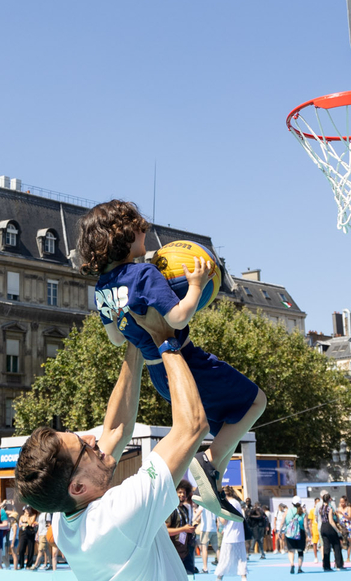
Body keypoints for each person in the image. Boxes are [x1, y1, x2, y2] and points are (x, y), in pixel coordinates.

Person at [82, 200, 266, 522]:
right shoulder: (144, 274)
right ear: (124, 235)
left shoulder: (102, 287)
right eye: (140, 227)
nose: (146, 231)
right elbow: (178, 318)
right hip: (186, 362)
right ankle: (209, 461)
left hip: (159, 376)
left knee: (226, 420)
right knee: (256, 402)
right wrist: (195, 286)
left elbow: (116, 338)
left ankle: (212, 480)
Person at [14, 313, 211, 581]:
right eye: (83, 447)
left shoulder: (64, 515)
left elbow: (116, 429)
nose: (91, 438)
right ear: (78, 487)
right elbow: (193, 426)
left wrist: (136, 337)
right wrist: (163, 337)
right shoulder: (117, 516)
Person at [215, 487, 249, 581]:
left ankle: (219, 578)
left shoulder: (227, 504)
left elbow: (224, 521)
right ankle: (244, 578)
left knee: (224, 559)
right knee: (241, 559)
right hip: (239, 535)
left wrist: (219, 512)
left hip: (229, 535)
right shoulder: (237, 503)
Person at [167, 480, 197, 576]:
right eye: (179, 492)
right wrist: (183, 529)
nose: (182, 495)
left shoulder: (185, 509)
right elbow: (165, 531)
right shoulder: (171, 509)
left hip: (185, 552)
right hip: (173, 553)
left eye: (184, 492)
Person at [284, 502, 307, 574]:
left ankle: (292, 563)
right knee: (300, 551)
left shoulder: (288, 511)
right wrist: (308, 535)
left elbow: (282, 522)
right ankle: (299, 568)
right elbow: (305, 525)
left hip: (290, 532)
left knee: (291, 550)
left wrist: (280, 530)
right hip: (300, 532)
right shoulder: (303, 512)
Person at [198, 497, 219, 574]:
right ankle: (221, 566)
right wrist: (217, 528)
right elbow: (218, 518)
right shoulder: (215, 505)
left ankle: (205, 568)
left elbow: (199, 512)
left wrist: (193, 520)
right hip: (213, 529)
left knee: (204, 548)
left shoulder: (203, 503)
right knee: (216, 548)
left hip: (205, 529)